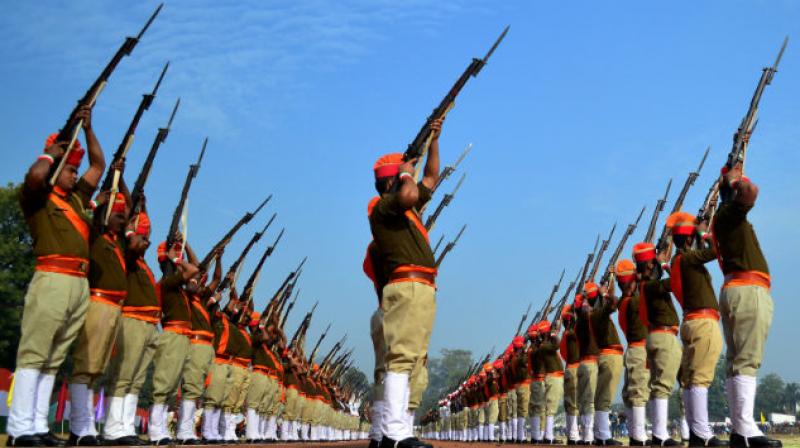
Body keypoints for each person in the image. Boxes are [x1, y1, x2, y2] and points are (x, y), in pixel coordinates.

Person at [9, 108, 105, 448]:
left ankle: (37, 425)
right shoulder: (37, 197)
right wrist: (50, 153)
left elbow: (98, 167)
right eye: (70, 170)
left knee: (53, 358)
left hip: (77, 284)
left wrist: (89, 130)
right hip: (52, 276)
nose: (76, 175)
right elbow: (35, 177)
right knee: (34, 353)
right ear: (55, 169)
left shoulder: (77, 200)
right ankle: (20, 428)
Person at [369, 118, 444, 448]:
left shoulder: (406, 211)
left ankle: (398, 431)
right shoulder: (382, 208)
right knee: (401, 360)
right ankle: (396, 434)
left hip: (423, 287)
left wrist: (434, 141)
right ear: (392, 184)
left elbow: (430, 179)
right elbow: (411, 190)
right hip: (407, 286)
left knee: (413, 361)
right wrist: (405, 170)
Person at [713, 164, 780, 448]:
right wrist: (735, 181)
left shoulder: (727, 217)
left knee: (736, 361)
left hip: (738, 289)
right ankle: (746, 431)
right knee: (747, 360)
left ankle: (741, 431)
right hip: (747, 290)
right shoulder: (728, 213)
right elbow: (752, 191)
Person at [67, 188, 129, 446]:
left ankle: (85, 425)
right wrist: (99, 204)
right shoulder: (95, 235)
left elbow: (132, 204)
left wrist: (122, 181)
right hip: (98, 302)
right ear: (105, 216)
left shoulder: (116, 242)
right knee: (86, 365)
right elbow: (87, 217)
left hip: (113, 308)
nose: (123, 220)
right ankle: (80, 426)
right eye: (117, 215)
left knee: (95, 370)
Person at [665, 211, 728, 447]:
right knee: (700, 379)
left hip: (691, 322)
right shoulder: (689, 260)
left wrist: (697, 231)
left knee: (691, 380)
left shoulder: (678, 261)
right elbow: (715, 250)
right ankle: (702, 432)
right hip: (703, 322)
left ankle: (694, 432)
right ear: (690, 240)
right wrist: (704, 231)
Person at [102, 209, 159, 446]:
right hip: (132, 319)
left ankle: (125, 426)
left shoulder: (143, 265)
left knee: (135, 380)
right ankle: (112, 428)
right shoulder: (130, 256)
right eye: (144, 237)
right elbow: (133, 244)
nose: (147, 242)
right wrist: (137, 217)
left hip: (147, 324)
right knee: (123, 376)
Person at [148, 239, 200, 445]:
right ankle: (155, 430)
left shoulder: (179, 288)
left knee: (170, 387)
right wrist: (176, 258)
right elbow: (192, 270)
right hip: (173, 334)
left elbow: (196, 267)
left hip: (182, 336)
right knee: (164, 384)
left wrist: (185, 245)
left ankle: (165, 429)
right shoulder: (167, 283)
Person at [634, 241, 682, 446]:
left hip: (656, 336)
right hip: (664, 337)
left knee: (657, 386)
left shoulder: (644, 284)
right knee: (662, 386)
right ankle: (660, 435)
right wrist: (665, 264)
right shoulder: (651, 284)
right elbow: (676, 282)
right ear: (650, 265)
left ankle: (658, 434)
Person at [614, 259, 651, 446]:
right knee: (639, 391)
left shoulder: (624, 302)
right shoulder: (634, 301)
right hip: (639, 349)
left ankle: (634, 434)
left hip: (633, 350)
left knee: (630, 393)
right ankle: (638, 435)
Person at [587, 280, 624, 446]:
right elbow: (614, 303)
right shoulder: (597, 314)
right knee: (605, 397)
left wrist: (610, 282)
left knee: (602, 395)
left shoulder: (595, 313)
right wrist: (605, 293)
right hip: (610, 356)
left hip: (607, 355)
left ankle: (600, 434)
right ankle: (603, 436)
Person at [560, 304, 582, 445]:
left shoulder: (565, 334)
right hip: (574, 369)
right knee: (575, 403)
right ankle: (574, 435)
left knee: (570, 403)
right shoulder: (572, 333)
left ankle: (572, 434)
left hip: (569, 368)